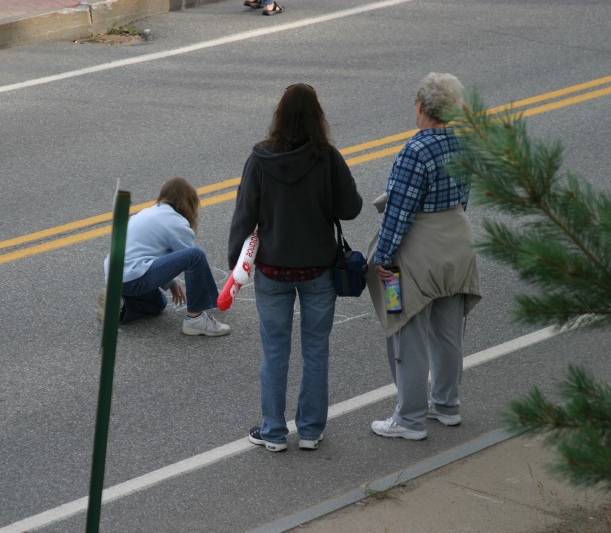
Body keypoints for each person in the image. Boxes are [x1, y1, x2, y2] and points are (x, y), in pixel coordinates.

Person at [229, 84, 363, 452]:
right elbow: (351, 208)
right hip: (319, 271)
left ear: (280, 115)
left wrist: (234, 267)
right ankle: (309, 430)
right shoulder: (328, 158)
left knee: (275, 352)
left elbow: (244, 215)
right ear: (317, 116)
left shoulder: (260, 159)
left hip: (272, 271)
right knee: (316, 350)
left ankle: (273, 432)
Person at [367, 73, 482, 440]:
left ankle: (410, 419)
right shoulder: (463, 146)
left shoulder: (414, 151)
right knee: (448, 334)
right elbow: (463, 200)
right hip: (457, 249)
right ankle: (446, 406)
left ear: (421, 106)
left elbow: (399, 212)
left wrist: (382, 257)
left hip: (415, 259)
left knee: (405, 333)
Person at [100, 177, 231, 336]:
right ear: (188, 202)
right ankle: (195, 321)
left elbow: (147, 252)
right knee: (196, 255)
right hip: (133, 275)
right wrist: (211, 295)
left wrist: (171, 283)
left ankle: (119, 306)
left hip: (116, 277)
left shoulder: (150, 212)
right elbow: (192, 260)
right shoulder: (176, 221)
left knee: (158, 304)